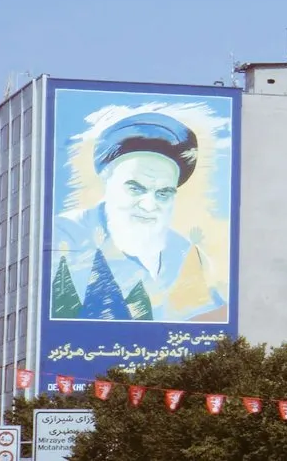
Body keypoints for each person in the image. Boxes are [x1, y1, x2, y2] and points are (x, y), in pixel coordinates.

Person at [50, 112, 227, 322]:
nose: (149, 206)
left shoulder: (184, 253)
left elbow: (211, 323)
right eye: (135, 189)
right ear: (107, 178)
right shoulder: (63, 236)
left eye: (163, 194)